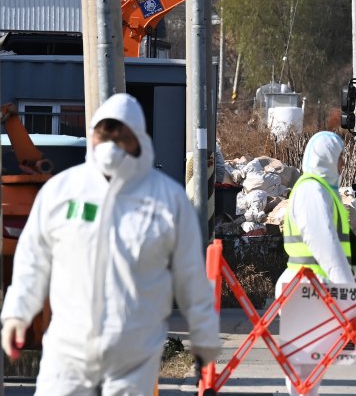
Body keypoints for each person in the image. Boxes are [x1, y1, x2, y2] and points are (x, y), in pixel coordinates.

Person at [1, 93, 220, 395]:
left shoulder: (165, 200)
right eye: (105, 136)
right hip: (70, 349)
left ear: (138, 142)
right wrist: (16, 313)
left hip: (132, 354)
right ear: (92, 136)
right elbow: (32, 259)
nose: (110, 147)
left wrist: (204, 335)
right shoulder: (64, 192)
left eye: (120, 138)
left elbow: (190, 275)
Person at [278, 131, 356, 396]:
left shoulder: (320, 190)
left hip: (313, 287)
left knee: (308, 371)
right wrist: (348, 291)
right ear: (326, 158)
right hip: (308, 288)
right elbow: (325, 244)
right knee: (304, 372)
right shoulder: (313, 190)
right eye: (339, 158)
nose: (343, 164)